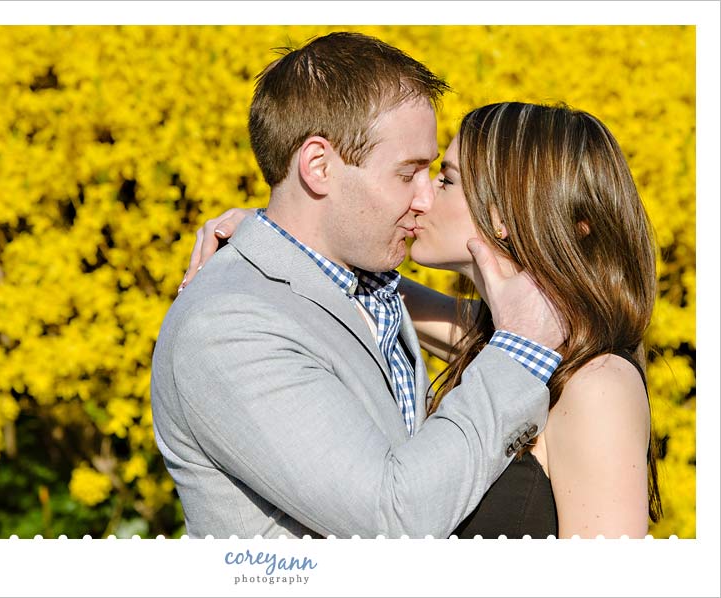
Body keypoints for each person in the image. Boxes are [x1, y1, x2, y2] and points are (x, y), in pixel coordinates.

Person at [150, 32, 565, 539]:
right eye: (407, 173)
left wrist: (267, 230)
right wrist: (520, 352)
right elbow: (391, 520)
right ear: (319, 167)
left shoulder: (366, 288)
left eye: (431, 173)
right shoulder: (228, 326)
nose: (424, 199)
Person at [187, 101, 663, 538]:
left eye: (446, 180)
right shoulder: (509, 345)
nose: (422, 198)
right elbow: (364, 294)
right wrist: (277, 231)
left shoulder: (595, 383)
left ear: (506, 214)